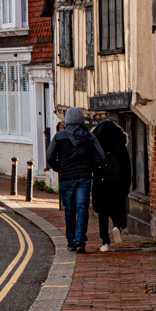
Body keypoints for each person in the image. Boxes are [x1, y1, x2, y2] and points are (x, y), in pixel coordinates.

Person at [47, 107, 105, 253]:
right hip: (84, 178)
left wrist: (60, 168)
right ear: (81, 120)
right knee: (82, 208)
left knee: (70, 210)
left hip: (66, 178)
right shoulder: (89, 137)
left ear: (66, 120)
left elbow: (50, 157)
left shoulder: (59, 137)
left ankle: (71, 240)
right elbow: (101, 157)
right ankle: (80, 240)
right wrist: (88, 167)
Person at [92, 120, 131, 252]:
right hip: (117, 182)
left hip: (102, 182)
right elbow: (127, 168)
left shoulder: (98, 148)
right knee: (116, 209)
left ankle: (105, 243)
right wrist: (126, 187)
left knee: (103, 214)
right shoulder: (121, 147)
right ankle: (117, 227)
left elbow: (94, 167)